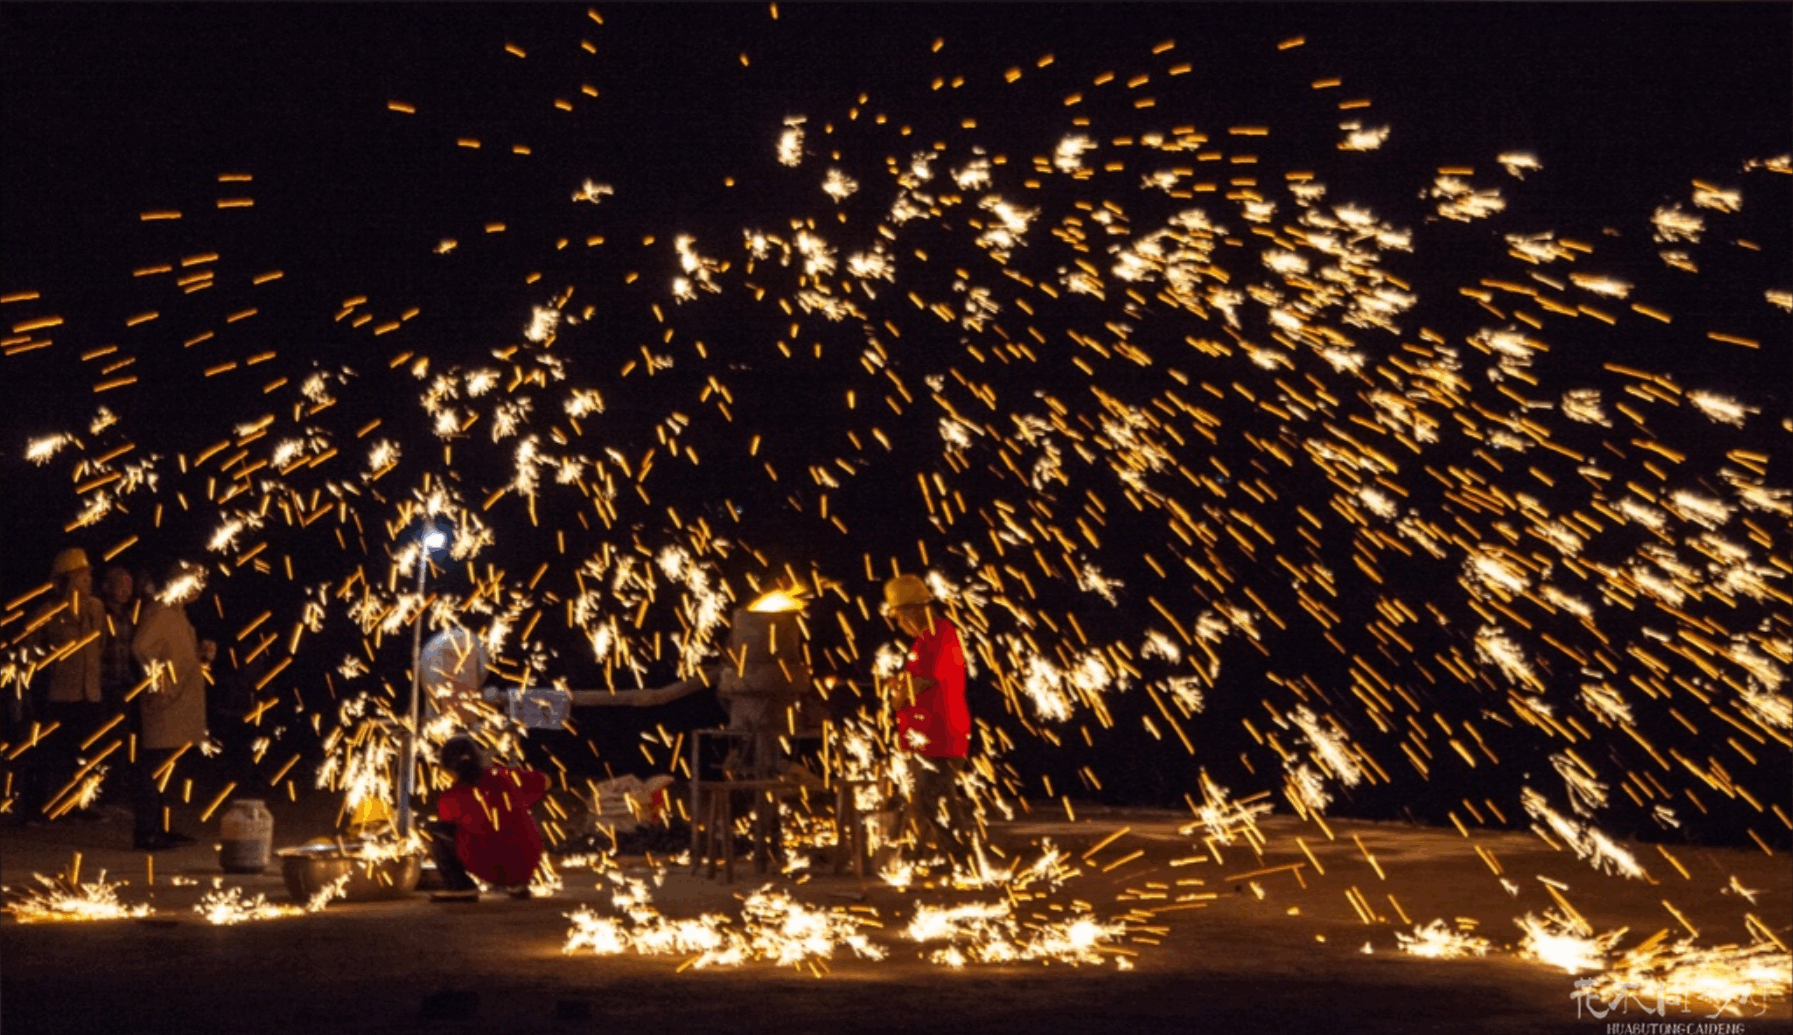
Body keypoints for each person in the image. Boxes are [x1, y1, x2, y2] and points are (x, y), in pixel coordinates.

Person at [880, 573, 975, 867]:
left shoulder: (935, 636)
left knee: (921, 804)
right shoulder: (932, 637)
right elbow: (924, 679)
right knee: (921, 800)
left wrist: (899, 697)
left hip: (939, 739)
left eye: (899, 618)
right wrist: (900, 682)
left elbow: (920, 683)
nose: (898, 625)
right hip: (931, 737)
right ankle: (920, 851)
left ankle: (957, 852)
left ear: (913, 611)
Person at [15, 548, 109, 824]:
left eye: (88, 575)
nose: (88, 580)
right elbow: (27, 647)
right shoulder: (49, 612)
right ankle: (34, 809)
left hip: (88, 692)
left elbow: (100, 645)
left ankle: (80, 804)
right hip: (57, 694)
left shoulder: (96, 609)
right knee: (45, 752)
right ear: (66, 580)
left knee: (84, 754)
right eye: (81, 576)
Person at [130, 561, 211, 850]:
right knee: (154, 770)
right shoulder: (162, 611)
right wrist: (158, 682)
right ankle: (147, 832)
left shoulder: (178, 615)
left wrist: (200, 654)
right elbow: (140, 647)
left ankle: (162, 827)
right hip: (164, 706)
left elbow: (175, 654)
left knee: (168, 770)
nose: (199, 588)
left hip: (180, 706)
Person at [429, 733, 549, 902]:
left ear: (448, 768)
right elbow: (546, 781)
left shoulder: (449, 798)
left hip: (491, 869)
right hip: (527, 866)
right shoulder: (506, 776)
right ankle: (519, 885)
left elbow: (458, 833)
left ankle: (460, 887)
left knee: (438, 831)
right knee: (517, 817)